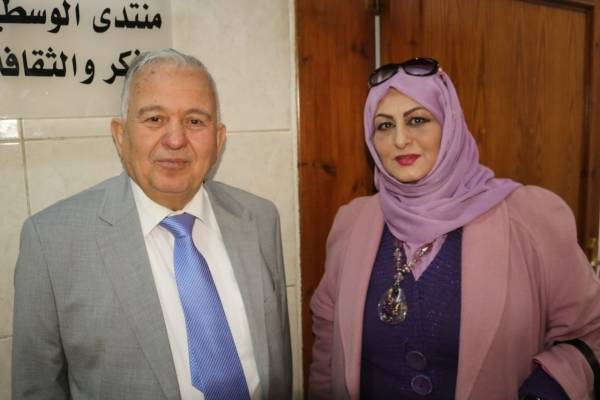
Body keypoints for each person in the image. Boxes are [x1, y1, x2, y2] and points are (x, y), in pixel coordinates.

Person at [309, 57, 600, 399]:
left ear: (450, 126)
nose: (400, 139)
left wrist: (548, 389)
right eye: (384, 125)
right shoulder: (352, 223)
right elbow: (328, 345)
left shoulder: (530, 217)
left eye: (417, 120)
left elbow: (591, 332)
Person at [12, 48, 292, 400]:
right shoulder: (50, 242)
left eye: (195, 121)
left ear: (219, 139)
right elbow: (37, 387)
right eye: (155, 119)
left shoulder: (260, 219)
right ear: (120, 135)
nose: (175, 140)